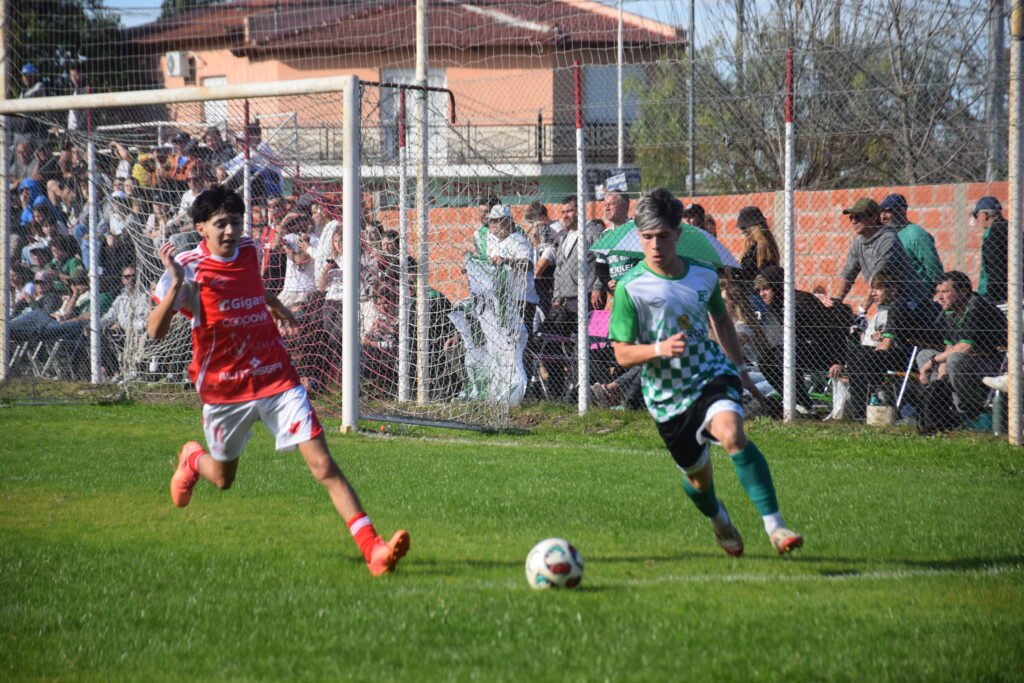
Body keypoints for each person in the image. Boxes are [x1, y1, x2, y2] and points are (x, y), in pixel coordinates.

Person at [147, 184, 409, 576]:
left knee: (323, 466)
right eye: (221, 224)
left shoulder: (251, 250)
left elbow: (249, 286)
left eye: (236, 222)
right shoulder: (188, 268)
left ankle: (374, 549)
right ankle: (190, 458)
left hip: (276, 378)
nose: (230, 231)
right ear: (201, 227)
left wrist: (275, 304)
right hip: (225, 390)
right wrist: (177, 282)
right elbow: (155, 331)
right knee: (222, 479)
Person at [608, 187, 803, 557]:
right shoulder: (630, 287)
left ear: (678, 235)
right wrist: (658, 349)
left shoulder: (703, 276)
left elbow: (722, 320)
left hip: (710, 375)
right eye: (647, 237)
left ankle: (775, 526)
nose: (655, 245)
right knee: (699, 483)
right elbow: (621, 354)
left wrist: (740, 368)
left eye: (663, 236)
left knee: (732, 434)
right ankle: (718, 519)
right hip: (666, 396)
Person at [827, 270, 928, 420]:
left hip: (903, 358)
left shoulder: (897, 308)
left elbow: (886, 345)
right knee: (859, 354)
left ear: (892, 290)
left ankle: (860, 410)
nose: (872, 293)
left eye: (877, 288)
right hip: (896, 355)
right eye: (872, 289)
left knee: (861, 355)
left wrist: (863, 359)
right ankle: (860, 406)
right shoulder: (894, 308)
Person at [917, 270, 1007, 431]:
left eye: (945, 292)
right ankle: (939, 409)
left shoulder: (976, 307)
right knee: (924, 354)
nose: (939, 297)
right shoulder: (950, 311)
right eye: (938, 292)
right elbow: (950, 346)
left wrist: (934, 362)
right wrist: (940, 375)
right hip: (969, 362)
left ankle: (970, 412)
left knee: (954, 359)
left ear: (963, 291)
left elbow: (964, 347)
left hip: (996, 364)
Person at [753, 265, 844, 415]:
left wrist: (837, 360)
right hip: (801, 349)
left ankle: (802, 404)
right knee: (765, 360)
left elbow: (833, 328)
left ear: (778, 286)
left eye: (766, 288)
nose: (762, 294)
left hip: (824, 351)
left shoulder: (800, 301)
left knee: (781, 356)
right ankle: (796, 401)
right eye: (759, 290)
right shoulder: (778, 304)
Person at [835, 197, 931, 307]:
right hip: (887, 303)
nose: (853, 221)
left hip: (911, 303)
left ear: (874, 217)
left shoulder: (888, 239)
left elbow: (877, 276)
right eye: (851, 217)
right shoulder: (859, 240)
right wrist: (837, 302)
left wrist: (862, 310)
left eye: (857, 217)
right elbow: (848, 273)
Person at [878, 193, 943, 291]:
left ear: (902, 210)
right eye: (881, 212)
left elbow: (933, 266)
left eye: (888, 211)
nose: (883, 217)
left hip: (917, 295)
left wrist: (930, 290)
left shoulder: (915, 233)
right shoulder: (887, 235)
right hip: (896, 296)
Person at [971, 196, 1008, 305]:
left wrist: (993, 297)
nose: (977, 220)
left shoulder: (993, 234)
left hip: (996, 294)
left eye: (976, 215)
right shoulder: (1010, 228)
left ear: (985, 214)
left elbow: (994, 266)